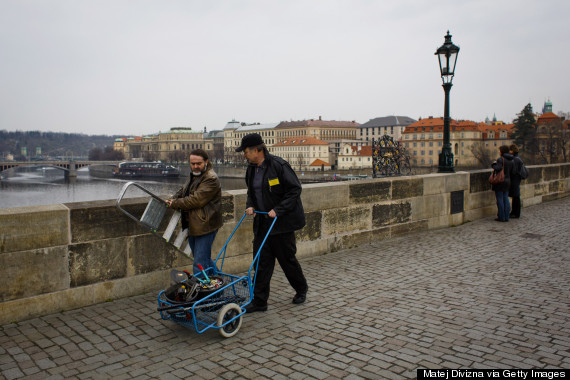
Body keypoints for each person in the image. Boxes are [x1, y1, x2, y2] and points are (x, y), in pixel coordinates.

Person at [236, 133, 308, 313]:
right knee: (261, 262)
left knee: (287, 260)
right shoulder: (251, 169)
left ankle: (301, 289)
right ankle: (259, 301)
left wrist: (278, 209)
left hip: (281, 224)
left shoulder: (278, 165)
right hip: (262, 224)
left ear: (257, 150)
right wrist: (250, 205)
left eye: (245, 152)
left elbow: (294, 190)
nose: (244, 155)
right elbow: (251, 193)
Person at [166, 149, 223, 275]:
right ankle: (220, 286)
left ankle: (202, 294)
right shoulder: (195, 174)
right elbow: (184, 190)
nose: (195, 166)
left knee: (199, 264)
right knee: (204, 260)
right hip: (193, 224)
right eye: (192, 164)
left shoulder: (211, 178)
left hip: (205, 225)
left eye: (199, 163)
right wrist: (173, 198)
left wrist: (175, 203)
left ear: (206, 162)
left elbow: (196, 200)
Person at [491, 145, 514, 222]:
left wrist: (493, 164)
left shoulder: (501, 159)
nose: (499, 152)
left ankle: (501, 216)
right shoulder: (511, 159)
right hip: (508, 181)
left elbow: (498, 168)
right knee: (506, 198)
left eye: (499, 150)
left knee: (500, 199)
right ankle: (506, 216)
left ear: (502, 151)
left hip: (501, 181)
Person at [509, 144, 524, 219]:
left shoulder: (515, 159)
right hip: (517, 178)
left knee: (515, 196)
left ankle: (515, 213)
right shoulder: (518, 158)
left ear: (512, 150)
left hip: (515, 179)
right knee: (516, 196)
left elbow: (514, 171)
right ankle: (516, 212)